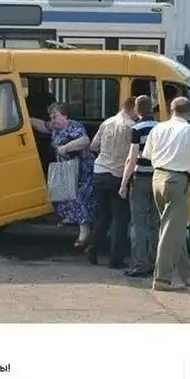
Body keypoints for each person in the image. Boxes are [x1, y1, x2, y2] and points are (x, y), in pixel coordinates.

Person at [142, 96, 190, 292]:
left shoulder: (158, 128)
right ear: (189, 112)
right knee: (170, 232)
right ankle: (162, 278)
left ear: (170, 110)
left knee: (173, 228)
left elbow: (147, 154)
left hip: (157, 178)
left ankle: (187, 273)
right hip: (177, 181)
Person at [31, 103, 96, 248]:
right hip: (66, 169)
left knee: (80, 199)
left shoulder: (74, 126)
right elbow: (43, 125)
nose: (53, 120)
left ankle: (84, 233)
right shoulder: (56, 127)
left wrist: (66, 148)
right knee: (66, 195)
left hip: (81, 170)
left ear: (65, 116)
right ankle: (70, 219)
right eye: (51, 117)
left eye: (55, 116)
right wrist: (25, 118)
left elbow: (85, 141)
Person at [85, 97, 137, 268]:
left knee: (104, 215)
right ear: (133, 109)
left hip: (100, 172)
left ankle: (92, 246)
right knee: (121, 218)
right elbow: (134, 153)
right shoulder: (131, 127)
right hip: (117, 175)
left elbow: (93, 146)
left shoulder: (107, 123)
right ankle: (116, 259)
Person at [119, 94, 159, 278]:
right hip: (157, 179)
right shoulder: (161, 128)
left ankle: (140, 264)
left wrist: (124, 183)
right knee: (154, 222)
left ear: (137, 110)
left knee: (138, 223)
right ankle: (155, 262)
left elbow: (131, 158)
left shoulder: (136, 129)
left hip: (141, 179)